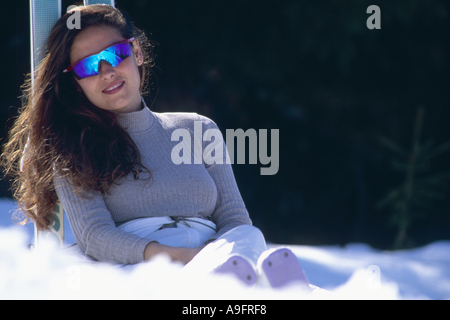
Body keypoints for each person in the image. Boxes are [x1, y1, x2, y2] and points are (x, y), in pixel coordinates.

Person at [1, 4, 309, 289]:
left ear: (136, 52)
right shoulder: (72, 148)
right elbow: (95, 235)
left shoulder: (199, 129)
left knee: (248, 234)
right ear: (75, 83)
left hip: (218, 257)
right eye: (88, 66)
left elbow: (234, 220)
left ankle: (250, 283)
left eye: (116, 53)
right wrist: (176, 256)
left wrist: (209, 257)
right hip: (140, 267)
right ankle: (249, 286)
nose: (107, 70)